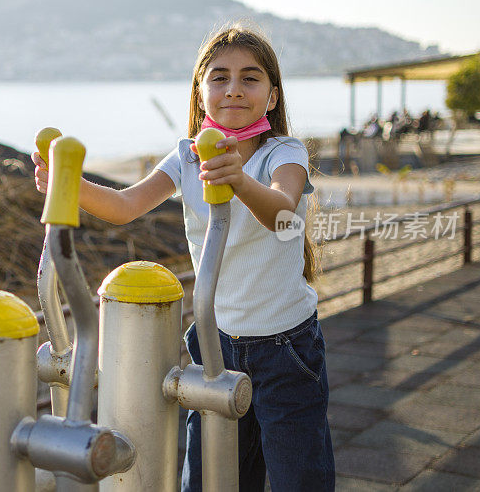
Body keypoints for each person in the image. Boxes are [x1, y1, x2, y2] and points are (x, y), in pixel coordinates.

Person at [32, 25, 334, 492]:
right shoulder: (188, 157)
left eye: (250, 79)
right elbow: (125, 206)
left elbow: (281, 211)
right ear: (200, 90)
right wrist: (66, 184)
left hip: (286, 348)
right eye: (220, 77)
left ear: (272, 97)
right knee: (212, 478)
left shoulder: (282, 152)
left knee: (300, 477)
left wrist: (238, 180)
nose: (234, 88)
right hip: (217, 343)